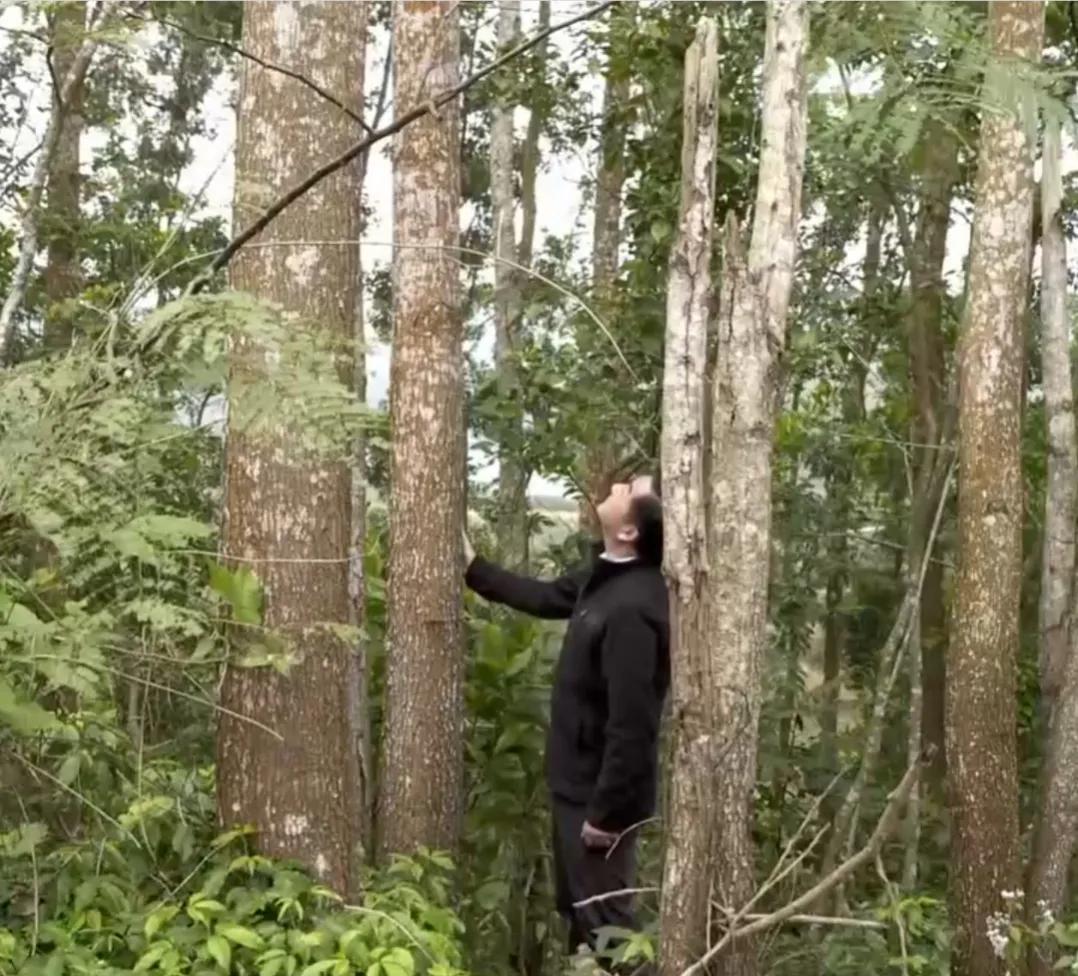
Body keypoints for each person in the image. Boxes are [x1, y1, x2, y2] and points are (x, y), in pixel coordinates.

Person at [464, 473, 669, 961]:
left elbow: (634, 725)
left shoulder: (634, 606)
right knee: (581, 918)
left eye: (628, 492)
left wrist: (607, 815)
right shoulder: (604, 579)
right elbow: (544, 597)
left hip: (600, 803)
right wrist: (472, 567)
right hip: (576, 786)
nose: (617, 486)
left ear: (630, 532)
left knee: (609, 931)